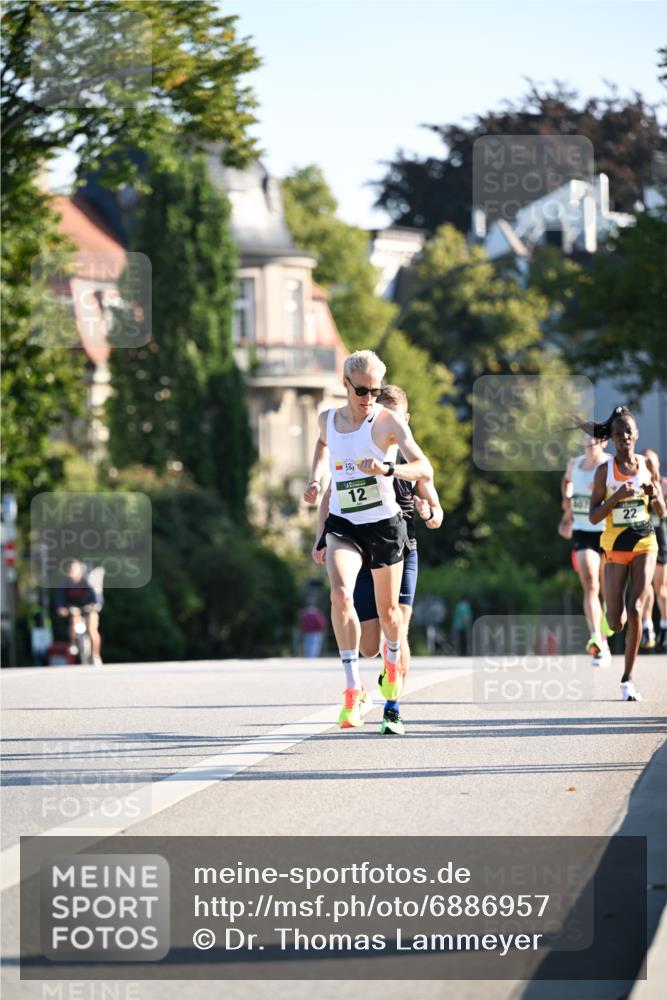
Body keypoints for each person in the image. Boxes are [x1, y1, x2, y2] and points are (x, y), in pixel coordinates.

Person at [303, 350, 433, 734]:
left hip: (385, 526)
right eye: (362, 390)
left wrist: (388, 468)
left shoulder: (386, 421)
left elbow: (424, 467)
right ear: (346, 384)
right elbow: (323, 446)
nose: (369, 398)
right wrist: (315, 480)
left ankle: (392, 681)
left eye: (375, 390)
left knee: (391, 615)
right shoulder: (328, 419)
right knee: (340, 594)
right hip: (344, 525)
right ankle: (352, 689)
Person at [585, 406, 666, 701]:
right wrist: (616, 497)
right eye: (618, 435)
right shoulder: (603, 472)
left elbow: (662, 512)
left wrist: (654, 494)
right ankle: (612, 631)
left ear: (636, 434)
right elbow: (593, 517)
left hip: (645, 542)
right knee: (617, 621)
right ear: (613, 439)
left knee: (636, 608)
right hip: (615, 547)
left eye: (628, 433)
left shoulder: (647, 465)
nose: (624, 438)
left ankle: (627, 679)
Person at [561, 435, 612, 666]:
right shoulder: (574, 464)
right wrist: (567, 499)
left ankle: (605, 632)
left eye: (595, 441)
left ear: (603, 443)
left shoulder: (611, 464)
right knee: (591, 584)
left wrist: (602, 490)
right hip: (583, 530)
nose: (590, 445)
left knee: (609, 589)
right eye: (587, 441)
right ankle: (597, 639)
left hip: (608, 532)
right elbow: (566, 482)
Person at [641, 450, 667, 650]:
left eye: (653, 462)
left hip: (661, 538)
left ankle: (664, 624)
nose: (650, 465)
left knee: (661, 589)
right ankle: (647, 625)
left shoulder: (663, 484)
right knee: (644, 586)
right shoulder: (638, 482)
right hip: (643, 539)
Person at [55, 559, 103, 665]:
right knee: (74, 618)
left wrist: (95, 605)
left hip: (89, 608)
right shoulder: (66, 583)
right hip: (75, 608)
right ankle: (73, 644)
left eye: (74, 570)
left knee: (92, 629)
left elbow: (96, 596)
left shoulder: (87, 581)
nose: (72, 572)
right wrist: (60, 608)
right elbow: (60, 597)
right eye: (70, 570)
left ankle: (95, 655)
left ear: (80, 571)